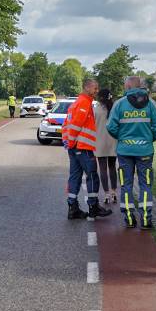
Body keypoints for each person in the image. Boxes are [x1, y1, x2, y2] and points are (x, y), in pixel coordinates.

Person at [105, 76, 156, 230]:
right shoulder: (151, 103)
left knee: (126, 184)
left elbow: (110, 126)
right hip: (145, 150)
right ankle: (146, 219)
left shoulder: (119, 104)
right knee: (146, 185)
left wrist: (122, 138)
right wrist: (148, 139)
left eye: (125, 86)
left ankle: (129, 219)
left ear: (129, 86)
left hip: (125, 150)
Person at [61, 77, 111, 219]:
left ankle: (72, 207)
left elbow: (66, 125)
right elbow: (76, 125)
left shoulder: (75, 103)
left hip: (74, 148)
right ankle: (93, 207)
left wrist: (67, 143)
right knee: (92, 176)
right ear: (87, 87)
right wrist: (71, 143)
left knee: (75, 177)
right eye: (95, 88)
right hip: (83, 148)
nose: (96, 91)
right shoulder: (84, 103)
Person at [93, 87, 118, 209]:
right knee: (112, 167)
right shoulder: (115, 109)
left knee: (102, 169)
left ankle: (107, 194)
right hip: (113, 141)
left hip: (100, 142)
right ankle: (114, 192)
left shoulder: (95, 109)